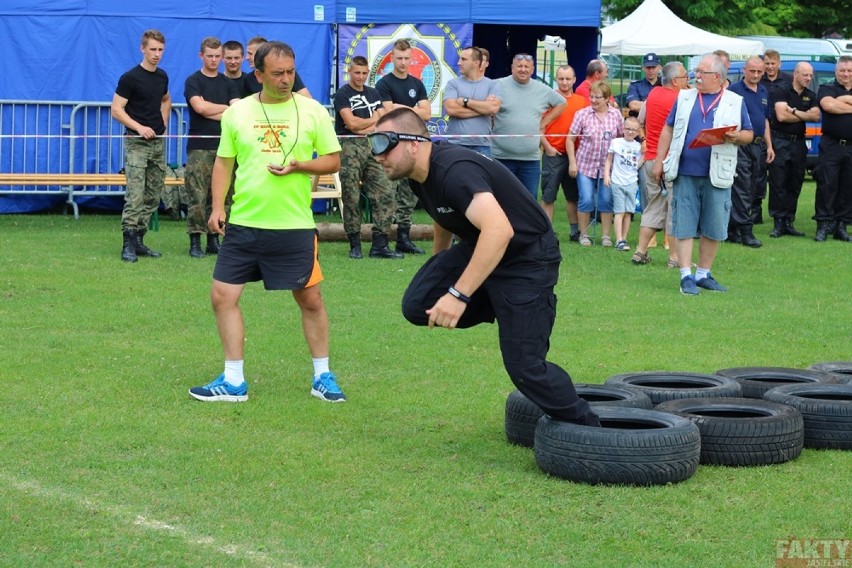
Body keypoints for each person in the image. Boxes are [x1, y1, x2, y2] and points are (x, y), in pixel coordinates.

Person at [368, 107, 600, 428]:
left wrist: (459, 294)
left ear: (413, 144)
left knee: (525, 368)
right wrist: (441, 264)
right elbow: (444, 215)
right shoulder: (420, 176)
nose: (377, 155)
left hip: (526, 255)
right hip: (481, 246)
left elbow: (500, 230)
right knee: (419, 303)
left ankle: (590, 425)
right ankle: (504, 304)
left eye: (384, 145)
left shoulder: (454, 170)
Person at [189, 41, 345, 403]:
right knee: (222, 296)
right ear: (257, 75)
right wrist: (216, 208)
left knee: (311, 299)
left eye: (290, 71)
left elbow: (334, 160)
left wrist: (300, 165)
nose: (286, 79)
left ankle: (323, 376)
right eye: (277, 73)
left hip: (294, 225)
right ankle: (233, 381)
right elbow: (224, 163)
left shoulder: (313, 111)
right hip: (244, 223)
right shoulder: (237, 113)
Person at [652, 54, 754, 295]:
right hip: (685, 171)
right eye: (696, 71)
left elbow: (749, 133)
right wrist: (659, 160)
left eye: (701, 72)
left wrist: (737, 137)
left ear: (717, 77)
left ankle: (703, 274)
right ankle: (685, 275)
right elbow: (668, 128)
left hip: (718, 173)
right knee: (684, 224)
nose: (696, 75)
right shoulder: (684, 97)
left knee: (714, 225)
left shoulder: (734, 101)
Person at [333, 55, 403, 259]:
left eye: (364, 73)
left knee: (385, 191)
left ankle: (380, 244)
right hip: (349, 146)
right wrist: (372, 120)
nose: (360, 77)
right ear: (349, 71)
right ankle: (354, 244)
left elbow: (383, 119)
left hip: (374, 144)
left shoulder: (373, 93)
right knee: (351, 195)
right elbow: (351, 124)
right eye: (357, 73)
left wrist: (368, 123)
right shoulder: (342, 94)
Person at [111, 29, 171, 263]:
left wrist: (163, 123)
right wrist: (139, 127)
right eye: (153, 49)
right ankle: (127, 243)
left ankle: (139, 240)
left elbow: (166, 99)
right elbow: (116, 109)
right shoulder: (130, 77)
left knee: (154, 194)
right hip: (136, 143)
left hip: (158, 143)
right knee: (135, 194)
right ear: (142, 49)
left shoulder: (162, 76)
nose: (157, 54)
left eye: (160, 50)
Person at [183, 36, 240, 258]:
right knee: (197, 194)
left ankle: (214, 238)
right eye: (210, 56)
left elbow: (236, 110)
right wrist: (223, 109)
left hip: (225, 147)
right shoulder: (193, 81)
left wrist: (215, 109)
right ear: (201, 56)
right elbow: (200, 108)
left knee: (223, 195)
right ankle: (195, 240)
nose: (215, 60)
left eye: (218, 56)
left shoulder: (228, 83)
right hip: (200, 147)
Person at [376, 38, 431, 255]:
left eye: (407, 58)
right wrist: (411, 109)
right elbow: (389, 113)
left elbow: (427, 113)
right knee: (389, 193)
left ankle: (404, 239)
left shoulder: (417, 83)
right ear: (392, 58)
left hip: (412, 146)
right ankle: (381, 240)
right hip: (391, 146)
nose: (403, 62)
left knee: (409, 194)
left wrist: (401, 108)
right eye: (399, 58)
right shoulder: (384, 84)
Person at [632, 61, 689, 266]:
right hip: (671, 161)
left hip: (649, 160)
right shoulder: (682, 99)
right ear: (675, 81)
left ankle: (640, 251)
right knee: (674, 209)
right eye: (684, 77)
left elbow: (640, 120)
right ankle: (674, 258)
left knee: (653, 206)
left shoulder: (653, 94)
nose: (687, 80)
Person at [492, 53, 566, 200]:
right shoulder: (497, 85)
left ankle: (523, 225)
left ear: (532, 70)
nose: (523, 70)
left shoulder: (542, 89)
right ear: (512, 68)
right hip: (501, 157)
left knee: (529, 202)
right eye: (519, 66)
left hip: (530, 160)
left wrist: (544, 123)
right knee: (501, 200)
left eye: (527, 67)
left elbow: (562, 103)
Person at [566, 81, 623, 247]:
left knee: (606, 200)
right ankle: (584, 235)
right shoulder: (582, 114)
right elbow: (570, 139)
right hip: (585, 165)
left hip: (607, 168)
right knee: (586, 199)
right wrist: (572, 163)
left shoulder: (616, 115)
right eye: (592, 96)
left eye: (598, 97)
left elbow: (620, 139)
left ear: (607, 99)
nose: (594, 100)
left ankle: (605, 236)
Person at [727, 56, 775, 248]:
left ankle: (732, 228)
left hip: (758, 145)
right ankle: (745, 230)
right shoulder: (734, 90)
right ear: (745, 70)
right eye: (752, 71)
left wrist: (769, 145)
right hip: (740, 144)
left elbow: (764, 120)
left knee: (755, 187)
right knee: (742, 187)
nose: (755, 75)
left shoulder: (763, 90)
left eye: (759, 72)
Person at [768, 62, 819, 238]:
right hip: (780, 140)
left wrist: (794, 111)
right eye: (805, 75)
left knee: (795, 182)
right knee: (778, 182)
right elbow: (781, 116)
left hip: (799, 143)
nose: (808, 78)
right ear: (796, 74)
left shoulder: (810, 95)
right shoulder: (781, 90)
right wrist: (803, 115)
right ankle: (778, 222)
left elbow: (815, 115)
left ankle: (789, 221)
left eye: (810, 75)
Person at [540, 65, 588, 241]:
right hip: (553, 153)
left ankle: (575, 231)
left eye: (568, 79)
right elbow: (538, 126)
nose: (565, 82)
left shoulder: (582, 101)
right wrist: (547, 147)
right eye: (561, 79)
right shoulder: (548, 99)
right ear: (556, 79)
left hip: (575, 156)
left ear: (574, 79)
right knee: (548, 195)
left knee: (573, 196)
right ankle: (547, 232)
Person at [813, 55, 852, 242]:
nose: (846, 74)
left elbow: (835, 105)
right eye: (842, 70)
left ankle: (841, 226)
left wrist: (841, 101)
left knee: (847, 187)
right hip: (831, 144)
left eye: (849, 71)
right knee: (826, 184)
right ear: (836, 72)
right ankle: (823, 224)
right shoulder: (826, 88)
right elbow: (828, 105)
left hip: (851, 147)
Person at [443, 46, 502, 156]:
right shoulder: (453, 84)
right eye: (460, 59)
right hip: (456, 144)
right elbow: (451, 109)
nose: (459, 63)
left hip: (482, 146)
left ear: (476, 63)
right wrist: (483, 108)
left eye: (464, 59)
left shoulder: (492, 85)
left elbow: (493, 108)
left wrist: (466, 102)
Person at [604, 116, 644, 251]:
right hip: (617, 181)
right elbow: (609, 160)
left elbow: (638, 163)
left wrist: (644, 157)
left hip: (631, 182)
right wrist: (606, 175)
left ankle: (624, 238)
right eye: (627, 129)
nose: (630, 132)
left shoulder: (638, 147)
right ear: (623, 129)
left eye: (634, 130)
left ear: (638, 132)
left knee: (628, 212)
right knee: (619, 211)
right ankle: (619, 239)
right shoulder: (616, 142)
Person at [244, 36, 311, 98]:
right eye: (277, 74)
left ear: (260, 52)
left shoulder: (287, 74)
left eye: (250, 53)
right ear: (259, 75)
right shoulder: (248, 79)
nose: (247, 57)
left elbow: (307, 100)